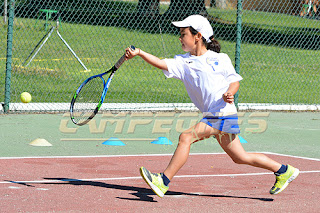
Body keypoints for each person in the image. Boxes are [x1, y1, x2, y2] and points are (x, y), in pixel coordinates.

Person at [125, 15, 299, 198]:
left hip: (222, 113)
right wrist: (140, 53)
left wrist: (230, 92)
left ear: (198, 36)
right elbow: (161, 63)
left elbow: (234, 81)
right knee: (240, 157)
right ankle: (283, 170)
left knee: (186, 137)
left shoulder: (220, 58)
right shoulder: (183, 62)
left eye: (184, 34)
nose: (180, 38)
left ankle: (163, 181)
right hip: (214, 115)